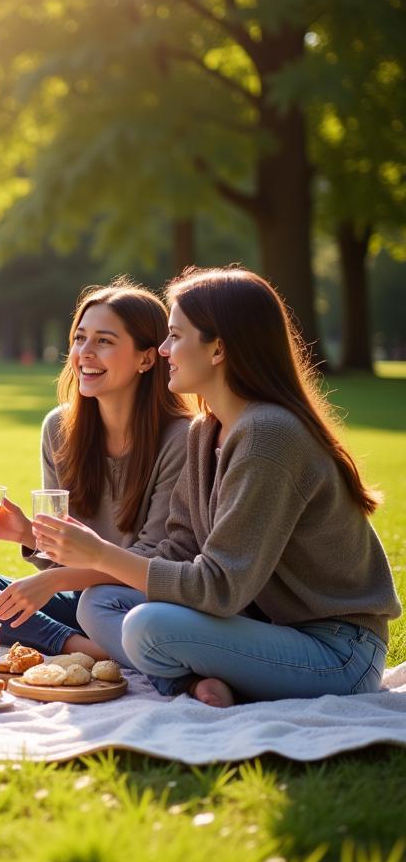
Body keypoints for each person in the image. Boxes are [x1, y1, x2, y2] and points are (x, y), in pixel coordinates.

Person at [36, 266, 401, 706]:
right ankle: (204, 680)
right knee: (97, 602)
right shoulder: (205, 431)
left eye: (175, 336)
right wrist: (84, 564)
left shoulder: (270, 434)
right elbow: (178, 550)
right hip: (267, 628)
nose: (165, 350)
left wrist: (99, 553)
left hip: (338, 650)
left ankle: (191, 678)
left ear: (218, 350)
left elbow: (220, 589)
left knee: (145, 626)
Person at [0, 279, 192, 658]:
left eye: (104, 341)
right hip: (79, 599)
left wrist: (57, 580)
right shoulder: (59, 428)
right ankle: (84, 648)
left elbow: (156, 564)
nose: (85, 353)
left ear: (147, 358)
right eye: (80, 339)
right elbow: (64, 551)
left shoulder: (180, 438)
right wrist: (26, 533)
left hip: (141, 607)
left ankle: (109, 646)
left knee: (94, 604)